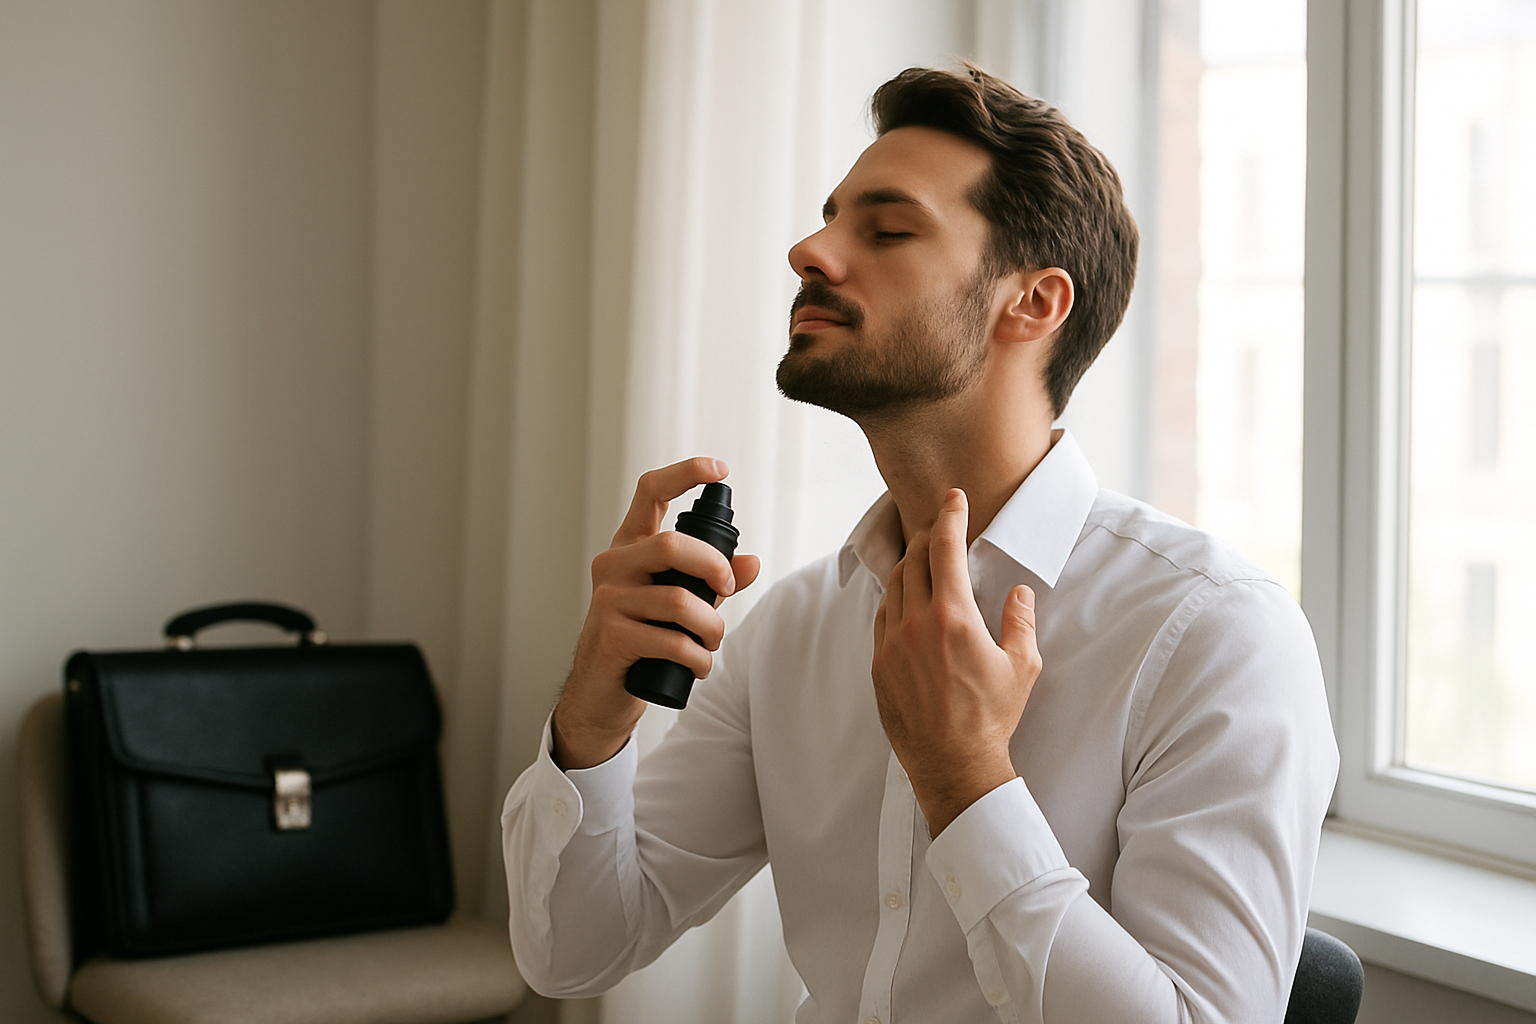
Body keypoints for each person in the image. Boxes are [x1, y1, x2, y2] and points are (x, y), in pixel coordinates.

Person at [502, 64, 1337, 1024]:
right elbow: (573, 951)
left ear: (1032, 304)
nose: (808, 250)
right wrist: (591, 726)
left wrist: (966, 779)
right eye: (827, 220)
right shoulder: (791, 633)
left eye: (887, 229)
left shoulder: (1216, 635)